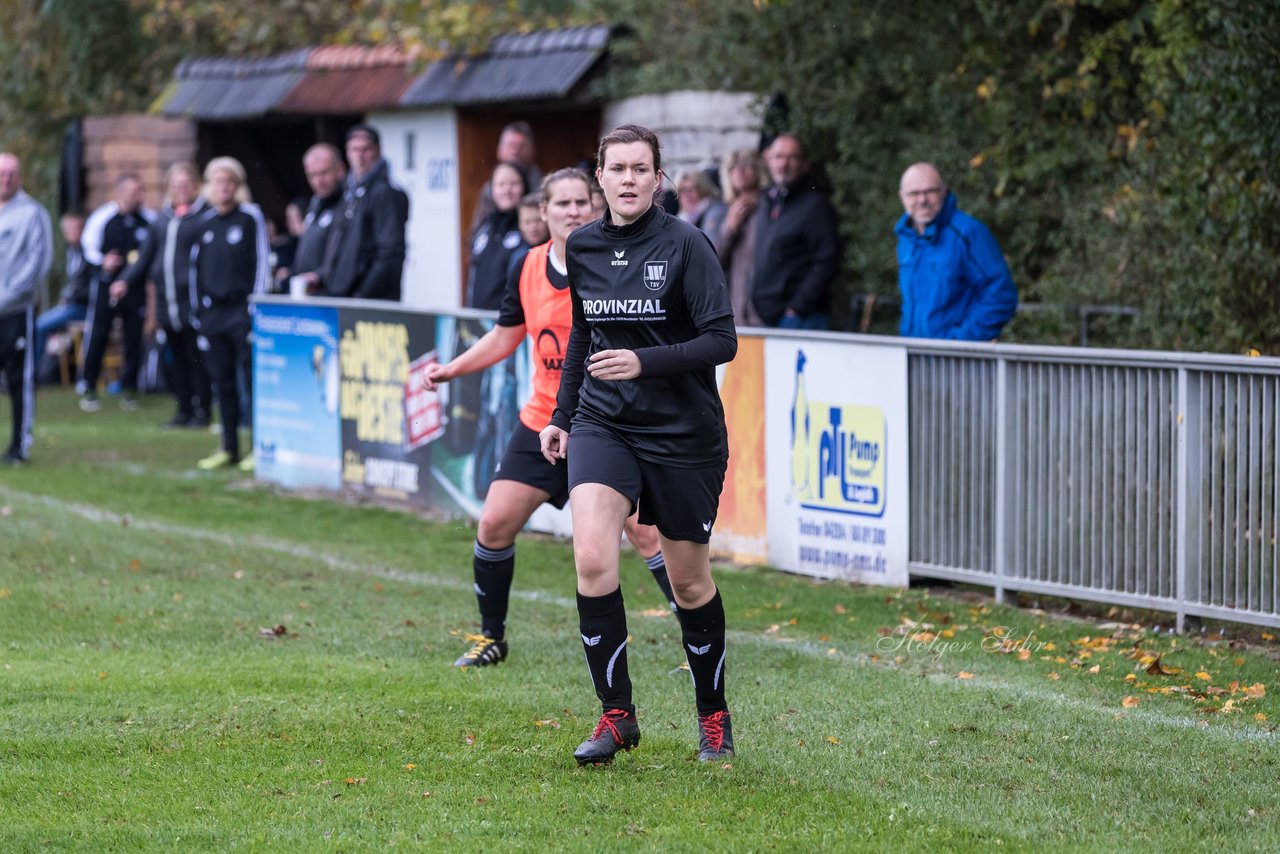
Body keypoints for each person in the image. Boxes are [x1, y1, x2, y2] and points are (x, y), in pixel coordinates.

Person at [539, 125, 738, 765]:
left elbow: (721, 340)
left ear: (658, 177)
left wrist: (645, 363)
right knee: (593, 557)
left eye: (640, 169)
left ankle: (713, 716)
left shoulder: (687, 245)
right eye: (617, 168)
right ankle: (616, 714)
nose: (627, 179)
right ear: (599, 176)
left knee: (689, 584)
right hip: (605, 423)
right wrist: (563, 414)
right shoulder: (585, 245)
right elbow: (581, 337)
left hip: (683, 435)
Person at [426, 168, 678, 669]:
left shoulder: (618, 262)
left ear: (597, 204)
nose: (572, 211)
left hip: (609, 423)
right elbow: (505, 336)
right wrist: (452, 369)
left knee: (648, 534)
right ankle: (490, 638)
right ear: (542, 212)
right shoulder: (527, 266)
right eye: (560, 203)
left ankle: (695, 641)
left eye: (581, 201)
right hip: (545, 421)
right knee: (494, 524)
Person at [113, 162, 212, 429]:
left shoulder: (204, 217)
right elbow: (145, 257)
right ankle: (182, 409)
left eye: (185, 185)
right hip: (167, 304)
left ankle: (202, 410)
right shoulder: (162, 220)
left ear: (195, 186)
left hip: (192, 304)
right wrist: (124, 280)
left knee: (196, 359)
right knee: (176, 359)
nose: (180, 189)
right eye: (176, 185)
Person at [189, 157, 269, 470]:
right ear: (210, 187)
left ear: (237, 186)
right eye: (217, 182)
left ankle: (257, 447)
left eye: (229, 182)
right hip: (212, 316)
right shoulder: (205, 224)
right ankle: (229, 447)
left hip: (242, 312)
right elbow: (195, 270)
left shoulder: (250, 217)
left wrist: (255, 307)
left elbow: (262, 262)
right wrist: (198, 313)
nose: (223, 188)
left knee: (248, 382)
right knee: (221, 384)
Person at [896, 162, 1018, 340]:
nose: (922, 200)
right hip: (914, 357)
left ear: (944, 192)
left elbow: (1001, 295)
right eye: (914, 193)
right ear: (902, 197)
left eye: (930, 191)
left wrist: (961, 342)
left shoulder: (968, 233)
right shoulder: (906, 239)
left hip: (957, 361)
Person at [79, 174, 155, 411]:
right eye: (134, 192)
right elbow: (87, 247)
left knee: (133, 338)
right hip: (105, 287)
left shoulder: (148, 219)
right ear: (120, 193)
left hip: (135, 289)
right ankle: (89, 386)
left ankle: (129, 388)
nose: (139, 197)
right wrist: (104, 262)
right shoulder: (103, 217)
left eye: (141, 191)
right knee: (99, 335)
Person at [749, 133, 840, 330]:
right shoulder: (766, 202)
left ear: (805, 164)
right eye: (779, 156)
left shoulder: (816, 206)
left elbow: (828, 260)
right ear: (769, 160)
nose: (784, 164)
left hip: (800, 319)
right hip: (765, 317)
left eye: (792, 157)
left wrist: (797, 308)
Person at [0, 152, 53, 465]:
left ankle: (19, 446)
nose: (5, 179)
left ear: (19, 177)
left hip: (15, 314)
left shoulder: (33, 214)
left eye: (11, 173)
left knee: (19, 381)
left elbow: (37, 264)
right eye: (1, 173)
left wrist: (6, 298)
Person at [318, 125, 408, 301]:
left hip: (369, 303)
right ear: (347, 152)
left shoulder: (385, 192)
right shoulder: (349, 191)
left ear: (378, 151)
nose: (359, 156)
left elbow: (390, 254)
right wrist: (323, 276)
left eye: (365, 149)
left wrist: (362, 294)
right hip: (344, 296)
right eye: (354, 149)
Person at [34, 212, 91, 379]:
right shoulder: (71, 252)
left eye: (75, 229)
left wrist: (68, 299)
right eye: (68, 230)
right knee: (44, 324)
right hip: (71, 305)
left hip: (82, 307)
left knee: (40, 324)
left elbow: (84, 287)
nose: (72, 233)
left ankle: (34, 371)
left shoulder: (87, 252)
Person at [714, 149, 767, 327]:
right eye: (734, 168)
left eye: (747, 166)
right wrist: (730, 227)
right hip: (737, 309)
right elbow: (715, 261)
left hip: (765, 308)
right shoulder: (724, 210)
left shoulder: (769, 206)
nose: (741, 171)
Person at [466, 162, 529, 310]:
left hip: (512, 325)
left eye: (514, 183)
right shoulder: (483, 229)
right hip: (479, 323)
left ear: (524, 186)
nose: (507, 190)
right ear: (491, 189)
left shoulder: (531, 230)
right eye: (500, 184)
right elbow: (472, 281)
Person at [292, 144, 347, 295]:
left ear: (340, 170)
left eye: (324, 173)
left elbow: (347, 254)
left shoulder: (349, 204)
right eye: (312, 175)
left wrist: (320, 275)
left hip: (332, 295)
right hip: (307, 292)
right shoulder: (315, 202)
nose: (319, 181)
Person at [469, 122, 543, 233]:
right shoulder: (488, 189)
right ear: (499, 151)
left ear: (531, 150)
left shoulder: (542, 185)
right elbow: (478, 229)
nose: (515, 151)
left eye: (521, 146)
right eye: (510, 145)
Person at [675, 169, 727, 241]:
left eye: (691, 189)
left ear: (702, 190)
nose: (687, 195)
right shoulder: (681, 218)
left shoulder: (714, 212)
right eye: (683, 190)